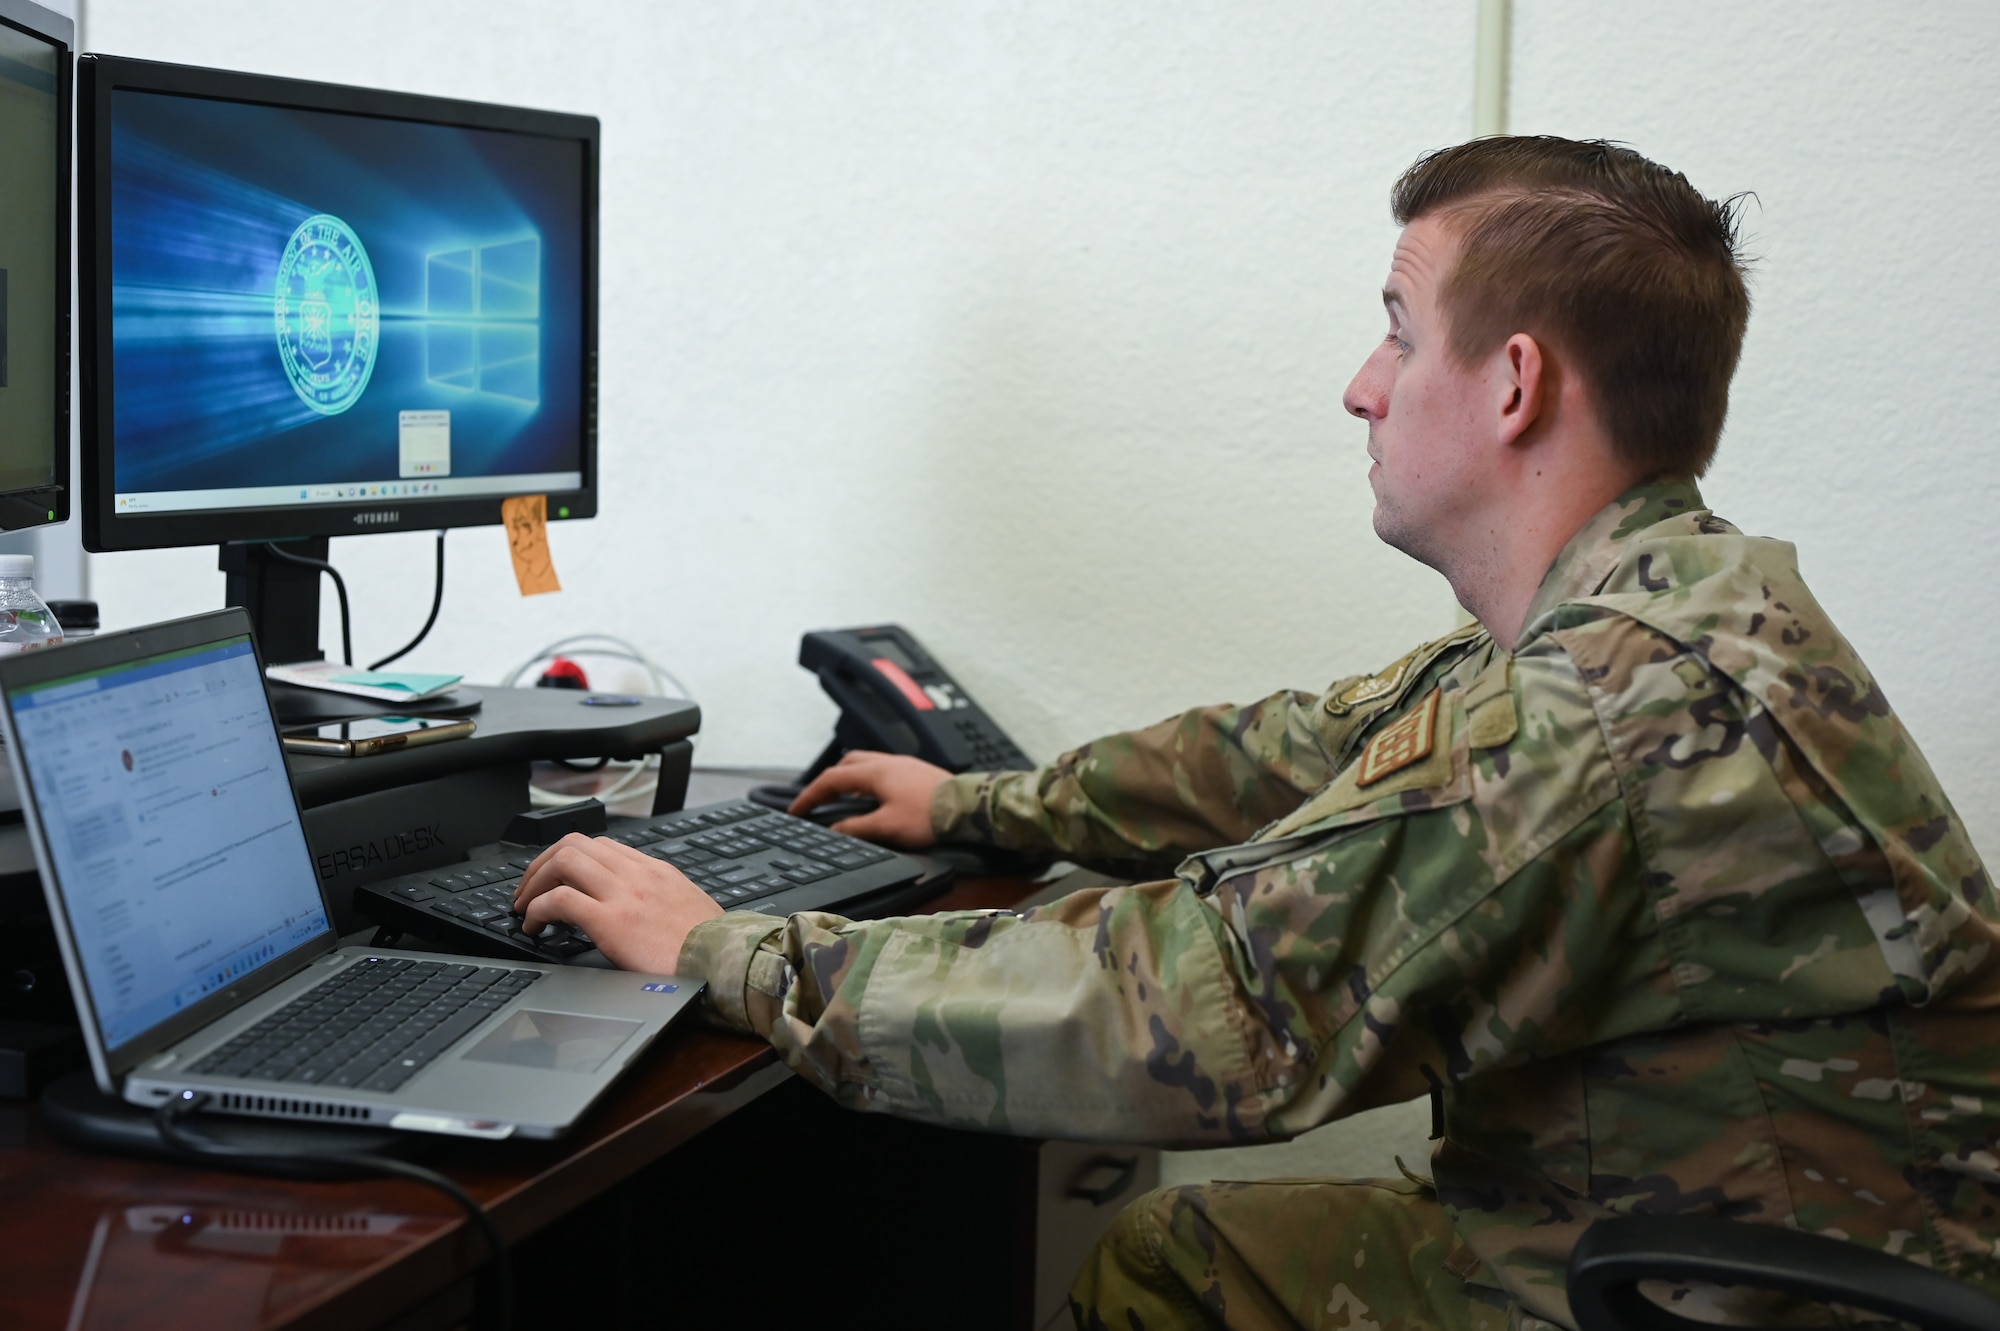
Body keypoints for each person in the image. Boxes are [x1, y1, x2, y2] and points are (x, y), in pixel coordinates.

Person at [513, 137, 1997, 1329]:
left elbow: (1201, 1013)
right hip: (1718, 1241)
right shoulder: (1663, 605)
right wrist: (986, 808)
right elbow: (1301, 747)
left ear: (1515, 384)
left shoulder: (1606, 708)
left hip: (1728, 1291)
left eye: (1397, 334)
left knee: (1179, 1263)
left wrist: (727, 950)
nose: (1359, 385)